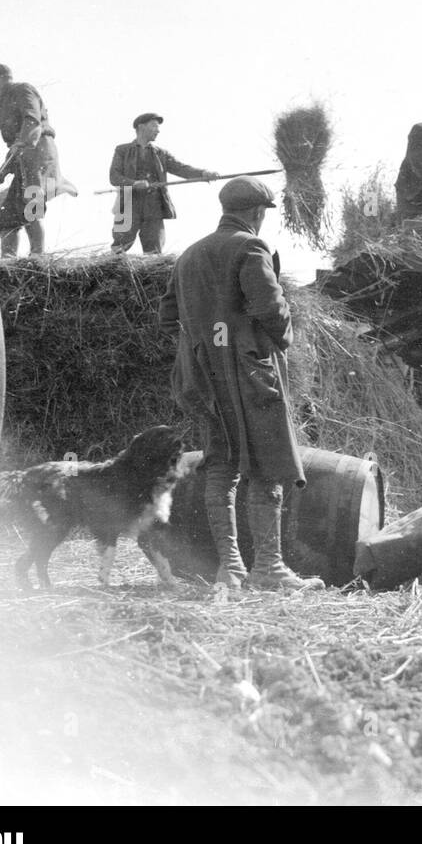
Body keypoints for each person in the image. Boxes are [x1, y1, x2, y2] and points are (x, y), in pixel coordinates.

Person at [158, 176, 322, 592]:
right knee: (268, 467)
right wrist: (280, 335)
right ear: (255, 213)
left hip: (201, 377)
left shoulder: (188, 256)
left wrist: (205, 340)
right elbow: (270, 306)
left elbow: (166, 317)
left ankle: (230, 568)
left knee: (221, 466)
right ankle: (268, 568)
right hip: (249, 376)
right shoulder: (251, 247)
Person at [0, 63, 77, 257]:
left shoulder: (22, 90)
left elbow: (32, 120)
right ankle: (8, 261)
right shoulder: (2, 103)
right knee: (7, 215)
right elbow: (15, 144)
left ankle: (37, 256)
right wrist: (3, 170)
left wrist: (24, 142)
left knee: (32, 203)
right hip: (23, 156)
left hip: (38, 152)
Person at [109, 113, 218, 254]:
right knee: (119, 246)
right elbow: (114, 176)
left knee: (154, 251)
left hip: (154, 206)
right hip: (128, 205)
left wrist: (203, 173)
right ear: (141, 127)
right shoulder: (122, 150)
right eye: (154, 126)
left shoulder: (161, 153)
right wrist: (134, 183)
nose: (158, 130)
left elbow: (181, 168)